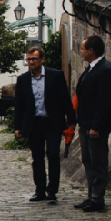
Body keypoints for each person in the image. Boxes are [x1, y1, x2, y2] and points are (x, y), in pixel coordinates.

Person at [14, 45, 75, 202]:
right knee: (37, 157)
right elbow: (19, 104)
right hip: (34, 123)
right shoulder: (23, 80)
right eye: (28, 59)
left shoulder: (55, 76)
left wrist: (71, 120)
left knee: (53, 154)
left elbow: (65, 99)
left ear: (42, 59)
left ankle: (52, 190)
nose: (31, 62)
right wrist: (18, 126)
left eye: (34, 59)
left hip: (52, 122)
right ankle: (40, 190)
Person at [75, 35, 111, 212]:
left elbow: (105, 101)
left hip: (95, 125)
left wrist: (96, 126)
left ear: (91, 51)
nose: (81, 52)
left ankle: (97, 199)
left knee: (98, 162)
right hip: (85, 123)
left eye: (83, 48)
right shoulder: (91, 68)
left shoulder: (105, 70)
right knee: (88, 161)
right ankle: (92, 195)